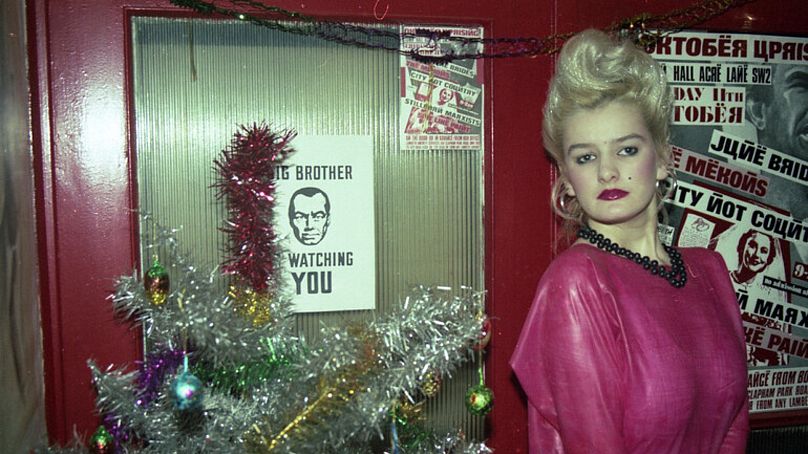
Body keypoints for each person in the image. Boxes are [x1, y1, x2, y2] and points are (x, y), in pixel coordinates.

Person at [510, 30, 749, 453]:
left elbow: (735, 423)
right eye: (586, 157)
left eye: (626, 150)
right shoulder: (577, 282)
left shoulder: (710, 271)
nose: (606, 172)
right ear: (567, 178)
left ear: (663, 158)